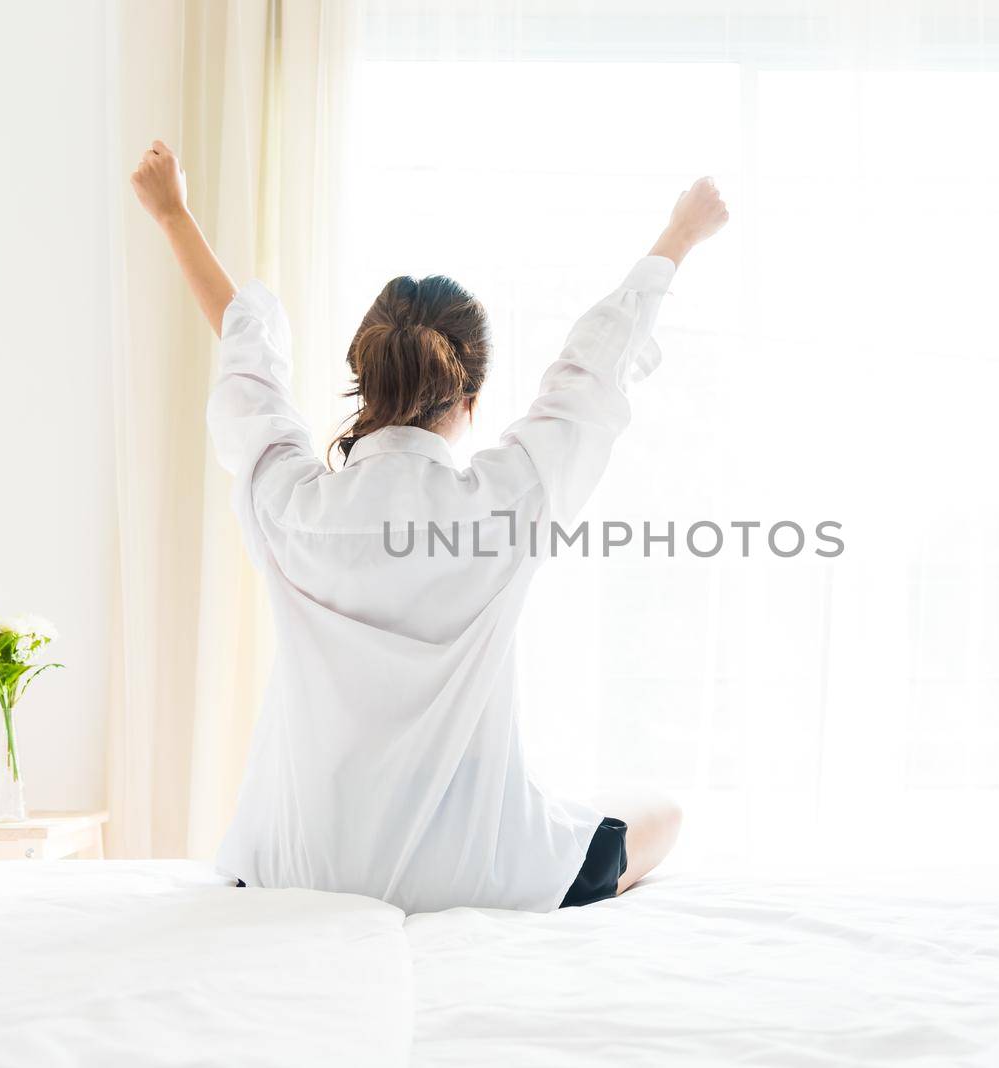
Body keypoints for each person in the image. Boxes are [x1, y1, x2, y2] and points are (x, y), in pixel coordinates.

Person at [130, 140, 728, 912]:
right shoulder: (508, 503)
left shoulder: (291, 506)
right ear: (469, 396)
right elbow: (593, 371)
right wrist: (679, 235)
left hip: (298, 865)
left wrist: (174, 216)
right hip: (479, 872)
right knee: (664, 813)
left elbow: (250, 369)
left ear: (362, 379)